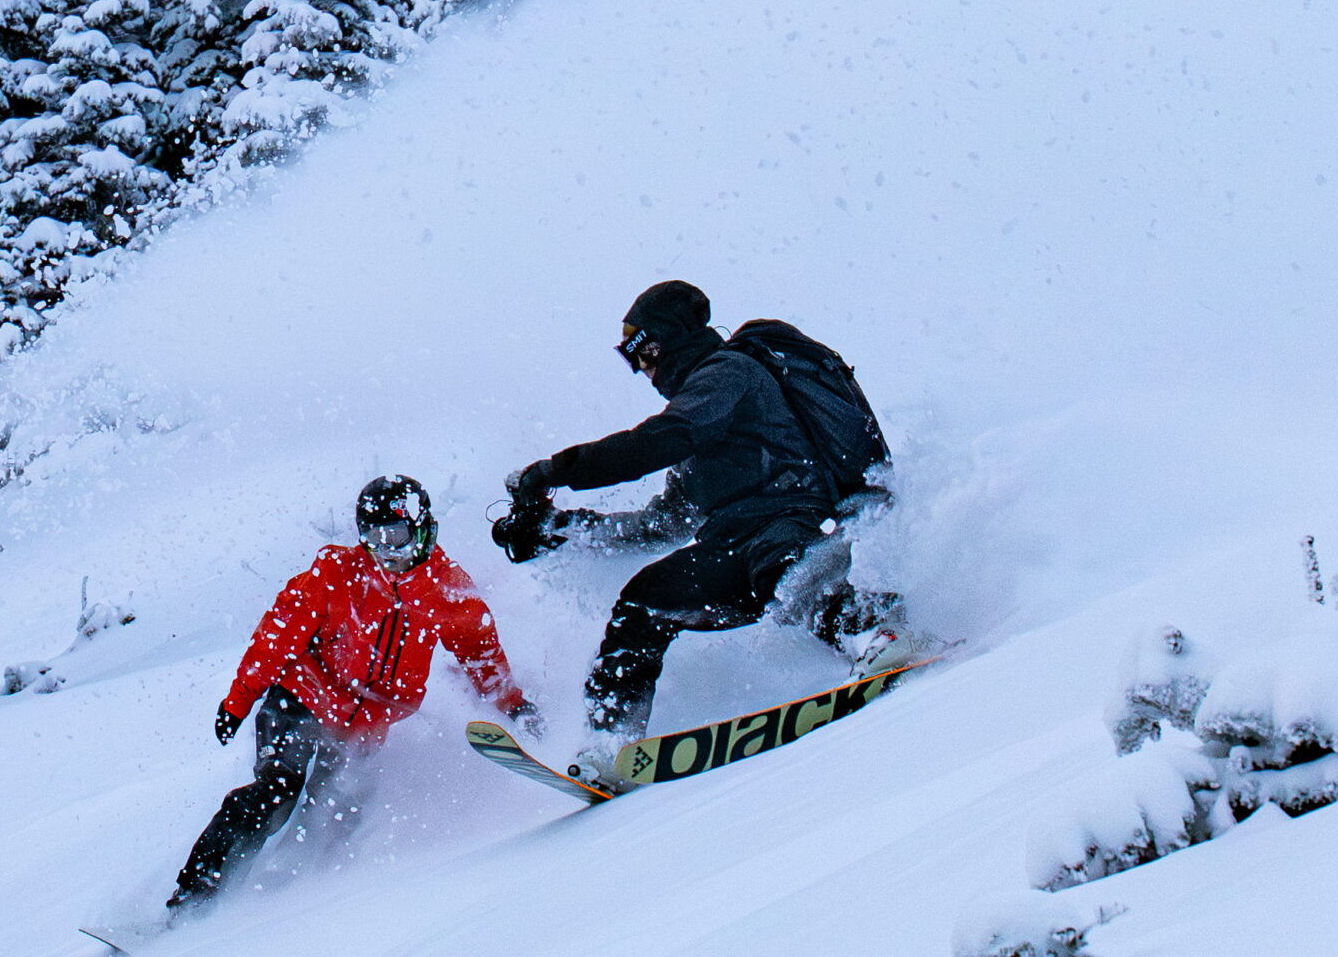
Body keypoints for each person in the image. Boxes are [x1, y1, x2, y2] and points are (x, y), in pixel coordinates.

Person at [169, 475, 535, 913]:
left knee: (334, 812)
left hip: (362, 727)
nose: (387, 552)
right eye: (375, 539)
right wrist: (238, 701)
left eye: (396, 537)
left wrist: (513, 704)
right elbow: (276, 637)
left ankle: (288, 901)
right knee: (277, 792)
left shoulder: (446, 589)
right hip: (299, 701)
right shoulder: (336, 574)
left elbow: (480, 651)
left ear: (422, 530)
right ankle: (196, 895)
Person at [503, 280, 840, 744]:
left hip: (795, 520)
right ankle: (611, 744)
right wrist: (560, 529)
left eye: (640, 353)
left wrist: (554, 471)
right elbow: (657, 526)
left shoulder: (726, 375)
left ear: (666, 342)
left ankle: (876, 634)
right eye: (630, 359)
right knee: (644, 601)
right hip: (732, 547)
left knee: (780, 564)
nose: (641, 369)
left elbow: (657, 440)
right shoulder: (697, 433)